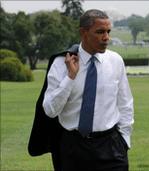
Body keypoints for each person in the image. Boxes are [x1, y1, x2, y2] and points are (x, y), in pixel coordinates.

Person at [42, 9, 134, 170]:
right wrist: (70, 77)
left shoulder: (115, 61)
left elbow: (125, 103)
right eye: (100, 32)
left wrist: (124, 140)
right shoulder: (60, 64)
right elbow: (50, 110)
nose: (106, 38)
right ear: (83, 32)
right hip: (73, 147)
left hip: (111, 146)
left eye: (108, 31)